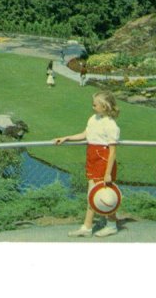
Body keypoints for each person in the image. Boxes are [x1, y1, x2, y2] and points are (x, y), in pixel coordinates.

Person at [53, 91, 121, 238]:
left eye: (95, 104)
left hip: (103, 161)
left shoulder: (111, 125)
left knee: (102, 194)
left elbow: (113, 152)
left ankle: (101, 226)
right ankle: (95, 226)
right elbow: (85, 135)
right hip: (92, 157)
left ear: (104, 106)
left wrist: (108, 173)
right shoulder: (93, 119)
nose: (93, 106)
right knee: (95, 193)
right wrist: (67, 138)